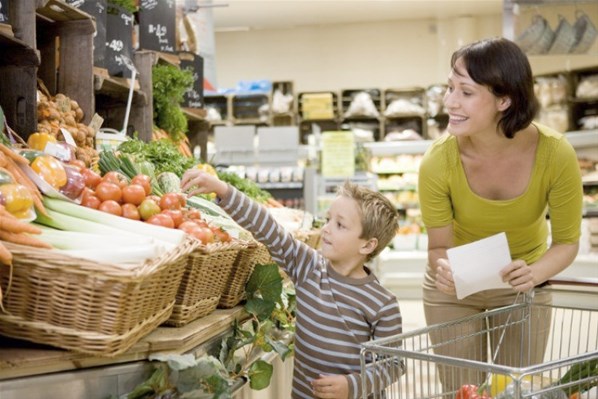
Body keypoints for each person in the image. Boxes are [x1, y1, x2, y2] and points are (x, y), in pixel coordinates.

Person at [417, 37, 583, 392]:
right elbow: (438, 248)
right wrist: (443, 269)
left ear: (504, 100)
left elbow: (567, 242)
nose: (449, 102)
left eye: (465, 91)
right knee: (462, 392)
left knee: (517, 390)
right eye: (449, 88)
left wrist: (534, 273)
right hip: (455, 289)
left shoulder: (556, 154)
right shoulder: (438, 161)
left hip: (522, 284)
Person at [181, 171, 403, 399]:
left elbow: (394, 364)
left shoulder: (382, 304)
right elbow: (270, 230)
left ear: (367, 245)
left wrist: (351, 385)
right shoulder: (308, 267)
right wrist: (224, 190)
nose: (326, 228)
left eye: (340, 225)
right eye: (328, 220)